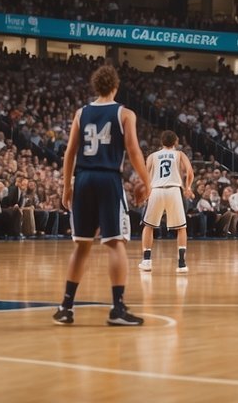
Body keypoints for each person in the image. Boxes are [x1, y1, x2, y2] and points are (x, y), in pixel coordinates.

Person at [53, 65, 151, 326]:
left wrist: (67, 186)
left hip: (83, 179)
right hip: (108, 179)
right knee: (115, 242)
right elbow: (133, 150)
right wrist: (146, 182)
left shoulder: (81, 113)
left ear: (95, 87)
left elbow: (69, 153)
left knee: (82, 244)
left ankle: (65, 306)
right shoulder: (124, 113)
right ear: (116, 87)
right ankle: (117, 309)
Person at [138, 130, 194, 273]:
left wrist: (145, 192)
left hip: (156, 190)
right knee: (181, 228)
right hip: (174, 190)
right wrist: (188, 187)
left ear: (161, 142)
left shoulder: (152, 156)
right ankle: (181, 264)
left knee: (148, 226)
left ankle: (146, 261)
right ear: (176, 142)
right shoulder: (179, 154)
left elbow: (144, 174)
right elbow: (190, 171)